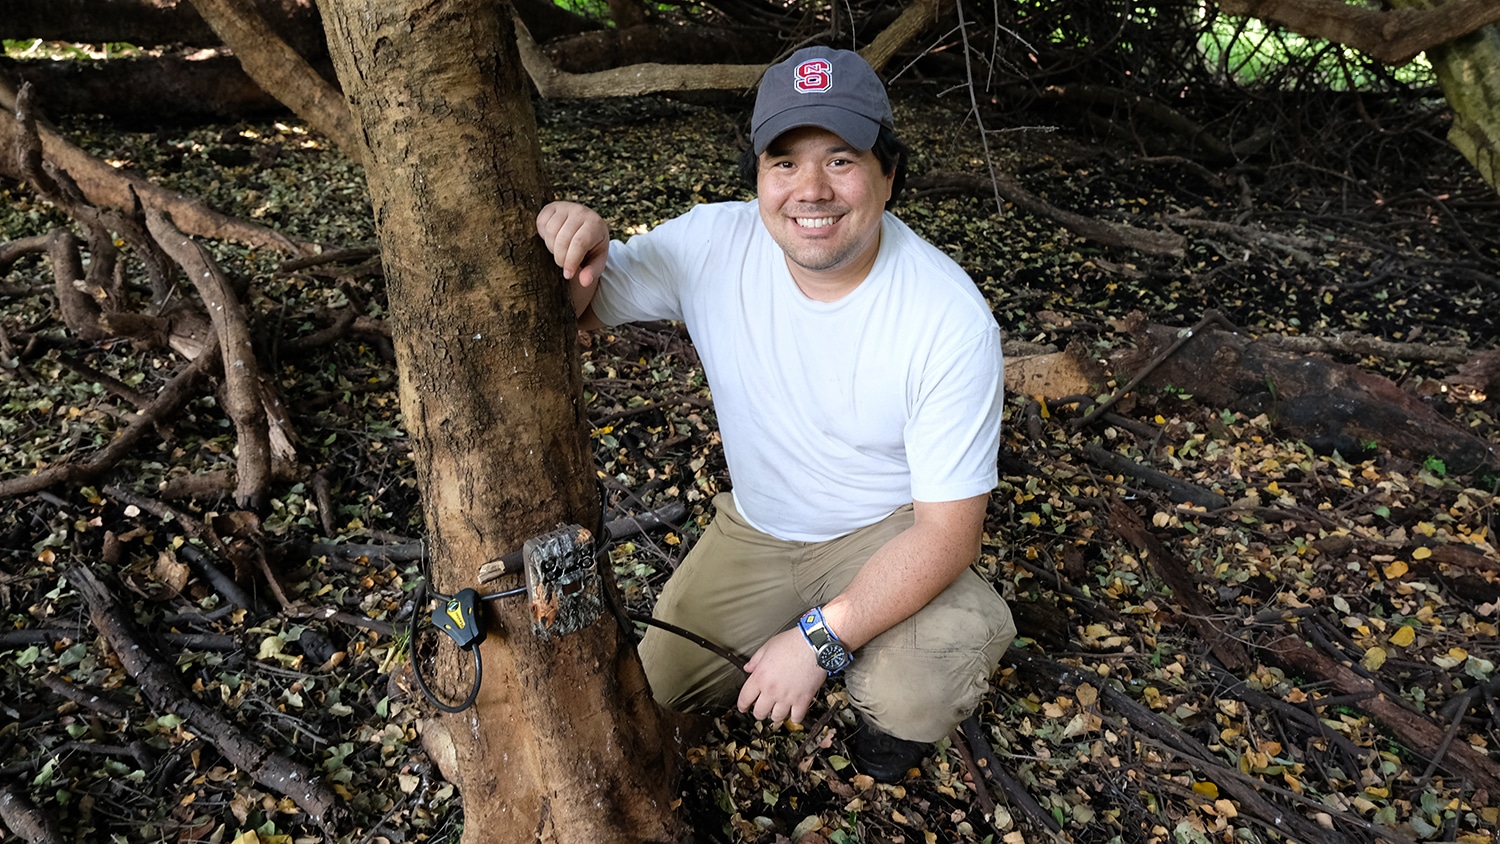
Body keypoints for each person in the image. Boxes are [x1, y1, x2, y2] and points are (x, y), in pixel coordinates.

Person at [536, 46, 1015, 782]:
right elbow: (581, 303)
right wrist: (570, 238)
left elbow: (949, 533)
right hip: (757, 530)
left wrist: (818, 643)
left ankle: (881, 751)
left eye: (842, 159)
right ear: (757, 176)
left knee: (914, 686)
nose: (811, 190)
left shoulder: (947, 318)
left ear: (889, 174)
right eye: (784, 162)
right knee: (652, 689)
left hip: (887, 530)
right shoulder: (713, 243)